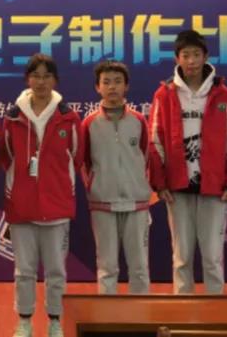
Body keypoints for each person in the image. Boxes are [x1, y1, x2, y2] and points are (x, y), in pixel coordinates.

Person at [149, 29, 227, 294]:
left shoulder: (224, 95)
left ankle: (215, 313)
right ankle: (183, 312)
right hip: (177, 188)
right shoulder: (164, 94)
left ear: (205, 57)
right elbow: (155, 141)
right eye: (185, 55)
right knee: (181, 258)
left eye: (196, 54)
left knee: (213, 258)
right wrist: (159, 184)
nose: (191, 61)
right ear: (177, 59)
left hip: (214, 187)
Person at [2, 54, 82, 337]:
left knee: (56, 270)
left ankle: (55, 321)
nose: (41, 81)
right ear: (28, 80)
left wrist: (58, 186)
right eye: (35, 75)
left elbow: (76, 157)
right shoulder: (13, 117)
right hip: (22, 206)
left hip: (57, 206)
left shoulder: (69, 117)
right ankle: (24, 321)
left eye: (47, 76)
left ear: (55, 80)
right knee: (24, 270)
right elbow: (6, 156)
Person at [81, 60, 150, 295]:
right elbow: (83, 162)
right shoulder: (89, 123)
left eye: (118, 81)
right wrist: (94, 187)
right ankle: (106, 315)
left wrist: (140, 185)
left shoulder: (139, 121)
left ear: (126, 86)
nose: (112, 87)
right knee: (107, 266)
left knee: (139, 266)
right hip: (103, 201)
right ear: (97, 87)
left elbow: (146, 156)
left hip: (136, 202)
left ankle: (141, 315)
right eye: (106, 82)